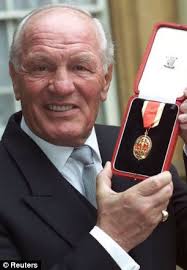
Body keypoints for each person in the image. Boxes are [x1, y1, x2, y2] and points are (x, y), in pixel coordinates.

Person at [0, 3, 187, 270]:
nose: (62, 86)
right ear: (15, 80)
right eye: (41, 67)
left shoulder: (141, 147)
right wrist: (112, 239)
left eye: (81, 67)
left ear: (106, 80)